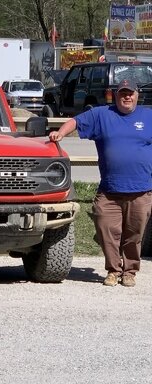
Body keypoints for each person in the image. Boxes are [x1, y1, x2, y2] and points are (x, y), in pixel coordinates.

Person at [49, 78, 152, 287]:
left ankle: (130, 271)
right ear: (116, 95)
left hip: (141, 190)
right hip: (110, 190)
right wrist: (61, 132)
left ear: (137, 95)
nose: (127, 97)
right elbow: (76, 122)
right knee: (106, 229)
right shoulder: (102, 115)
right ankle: (114, 270)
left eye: (130, 93)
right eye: (123, 93)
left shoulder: (148, 116)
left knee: (134, 235)